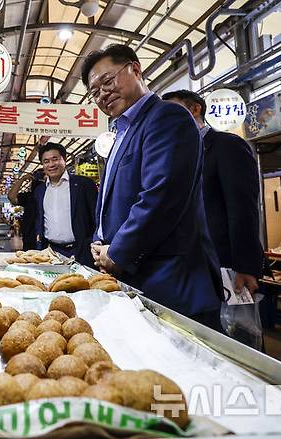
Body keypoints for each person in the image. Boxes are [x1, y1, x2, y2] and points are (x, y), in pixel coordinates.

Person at [82, 44, 222, 328]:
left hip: (171, 283)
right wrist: (100, 242)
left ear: (135, 69)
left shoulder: (167, 117)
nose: (102, 94)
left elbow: (161, 196)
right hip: (136, 279)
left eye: (107, 82)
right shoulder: (121, 132)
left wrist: (118, 252)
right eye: (94, 92)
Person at [162, 89, 263, 296]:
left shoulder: (227, 146)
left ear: (195, 109)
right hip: (187, 264)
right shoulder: (174, 155)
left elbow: (243, 208)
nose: (167, 120)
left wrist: (245, 265)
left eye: (172, 111)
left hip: (225, 263)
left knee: (235, 326)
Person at [33, 142, 98, 265]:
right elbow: (40, 220)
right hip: (51, 253)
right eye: (46, 161)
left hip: (81, 251)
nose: (51, 164)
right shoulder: (40, 191)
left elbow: (96, 217)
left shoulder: (84, 185)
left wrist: (93, 244)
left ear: (65, 159)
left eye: (55, 159)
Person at [8, 169, 45, 251]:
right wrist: (22, 179)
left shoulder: (54, 195)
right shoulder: (29, 197)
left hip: (47, 237)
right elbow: (11, 197)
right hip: (30, 236)